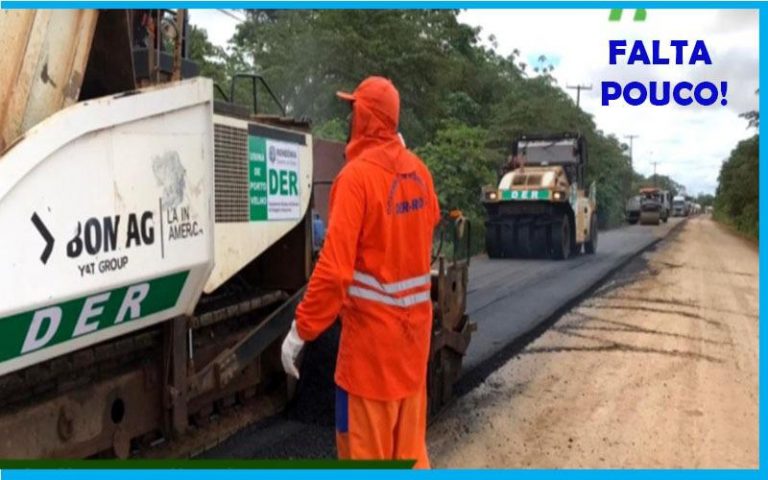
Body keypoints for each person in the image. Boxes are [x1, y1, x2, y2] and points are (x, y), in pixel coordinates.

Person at [280, 76, 440, 468]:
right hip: (411, 354)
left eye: (354, 110)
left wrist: (302, 331)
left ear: (366, 118)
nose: (349, 118)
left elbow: (334, 272)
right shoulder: (420, 174)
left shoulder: (355, 179)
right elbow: (428, 222)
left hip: (369, 363)